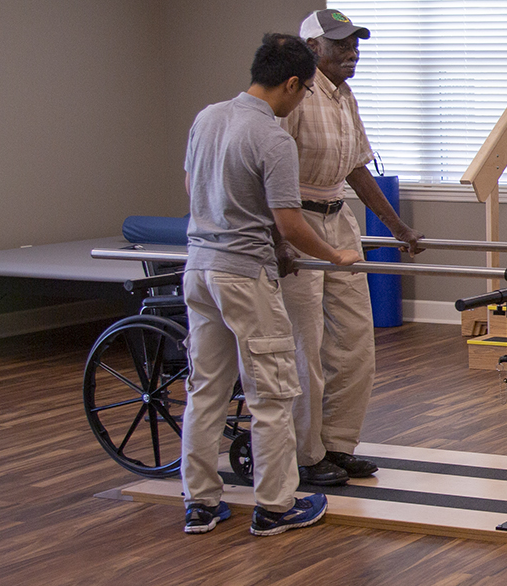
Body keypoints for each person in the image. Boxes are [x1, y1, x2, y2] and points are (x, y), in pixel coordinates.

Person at [180, 33, 360, 536]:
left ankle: (200, 503)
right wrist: (335, 255)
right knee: (271, 393)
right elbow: (290, 223)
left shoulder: (208, 117)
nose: (301, 102)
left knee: (206, 390)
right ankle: (275, 506)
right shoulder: (273, 137)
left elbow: (194, 189)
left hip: (198, 269)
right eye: (303, 92)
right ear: (292, 83)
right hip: (244, 275)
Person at [279, 9, 426, 486]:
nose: (352, 52)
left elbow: (358, 167)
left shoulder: (344, 96)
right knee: (308, 346)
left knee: (354, 342)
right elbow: (263, 172)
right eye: (341, 44)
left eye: (355, 43)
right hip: (295, 223)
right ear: (312, 48)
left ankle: (337, 444)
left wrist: (398, 228)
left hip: (337, 219)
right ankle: (305, 454)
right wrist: (272, 235)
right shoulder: (294, 95)